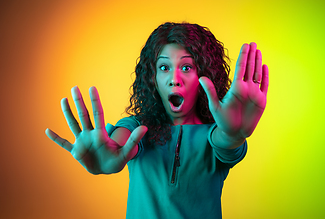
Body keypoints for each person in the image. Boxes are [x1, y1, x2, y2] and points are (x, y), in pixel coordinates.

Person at [45, 22, 269, 219]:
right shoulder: (137, 128)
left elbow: (225, 142)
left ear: (205, 75)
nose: (174, 79)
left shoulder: (214, 136)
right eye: (164, 68)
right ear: (153, 78)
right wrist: (110, 154)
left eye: (186, 67)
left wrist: (233, 134)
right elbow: (123, 141)